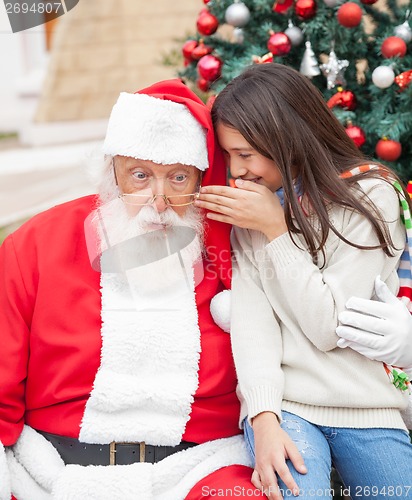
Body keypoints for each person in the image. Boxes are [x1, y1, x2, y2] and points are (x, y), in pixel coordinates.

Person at [0, 79, 267, 500]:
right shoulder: (35, 245)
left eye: (177, 178)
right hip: (49, 470)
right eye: (140, 176)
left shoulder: (234, 245)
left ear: (200, 179)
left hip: (197, 469)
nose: (157, 201)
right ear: (111, 174)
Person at [195, 63, 412, 499]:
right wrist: (263, 417)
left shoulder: (371, 195)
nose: (238, 171)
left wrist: (276, 231)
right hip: (286, 407)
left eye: (246, 153)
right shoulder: (252, 212)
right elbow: (253, 325)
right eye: (229, 155)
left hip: (370, 406)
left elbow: (329, 326)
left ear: (286, 138)